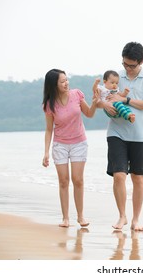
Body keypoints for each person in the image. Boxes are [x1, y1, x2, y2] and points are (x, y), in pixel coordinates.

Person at [97, 42, 143, 231]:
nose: (128, 69)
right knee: (118, 176)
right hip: (117, 132)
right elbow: (101, 101)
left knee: (138, 178)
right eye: (125, 64)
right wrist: (106, 105)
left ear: (141, 62)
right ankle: (122, 216)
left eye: (132, 65)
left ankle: (136, 219)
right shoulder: (116, 76)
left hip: (140, 134)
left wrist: (126, 100)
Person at [42, 69, 100, 228]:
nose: (66, 83)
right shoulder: (49, 104)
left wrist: (95, 102)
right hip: (60, 144)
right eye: (62, 81)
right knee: (63, 181)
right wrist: (46, 152)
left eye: (66, 80)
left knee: (78, 180)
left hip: (79, 143)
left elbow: (89, 113)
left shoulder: (76, 94)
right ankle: (65, 218)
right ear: (54, 85)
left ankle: (81, 217)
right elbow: (49, 129)